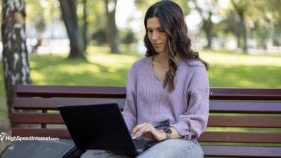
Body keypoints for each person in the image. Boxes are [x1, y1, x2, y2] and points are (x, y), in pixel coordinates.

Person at [81, 1, 209, 157]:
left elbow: (196, 119)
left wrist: (162, 133)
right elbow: (131, 114)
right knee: (90, 156)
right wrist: (113, 134)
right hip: (141, 143)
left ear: (176, 30)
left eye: (161, 30)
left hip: (179, 143)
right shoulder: (138, 68)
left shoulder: (194, 69)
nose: (154, 37)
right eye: (150, 30)